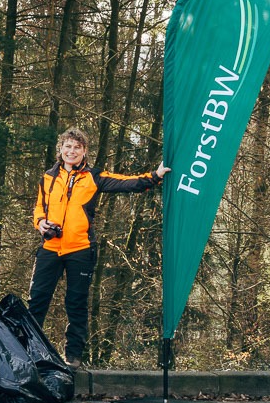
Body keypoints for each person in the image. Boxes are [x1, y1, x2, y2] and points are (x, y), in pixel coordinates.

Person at [29, 127, 169, 369]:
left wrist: (155, 176)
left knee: (76, 303)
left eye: (77, 147)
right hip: (50, 248)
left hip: (80, 249)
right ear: (60, 149)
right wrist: (41, 223)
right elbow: (39, 208)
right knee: (37, 301)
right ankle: (28, 350)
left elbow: (126, 183)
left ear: (84, 151)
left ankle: (73, 357)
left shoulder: (93, 177)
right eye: (68, 146)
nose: (71, 151)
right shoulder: (48, 177)